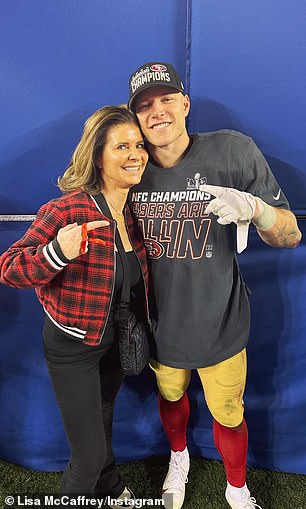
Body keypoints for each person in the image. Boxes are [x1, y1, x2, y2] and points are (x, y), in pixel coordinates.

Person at [127, 62, 302, 509]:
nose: (157, 112)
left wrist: (258, 211)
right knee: (170, 395)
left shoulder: (231, 151)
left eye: (167, 99)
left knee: (228, 412)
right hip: (158, 326)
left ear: (185, 103)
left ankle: (236, 487)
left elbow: (290, 234)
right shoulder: (128, 166)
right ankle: (179, 457)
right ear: (135, 117)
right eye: (145, 106)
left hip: (220, 320)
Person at [0, 106, 149, 508]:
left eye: (139, 145)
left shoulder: (133, 213)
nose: (136, 153)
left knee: (102, 426)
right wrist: (57, 252)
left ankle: (111, 486)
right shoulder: (66, 209)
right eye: (122, 146)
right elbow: (10, 269)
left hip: (115, 341)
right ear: (98, 156)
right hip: (73, 348)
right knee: (87, 456)